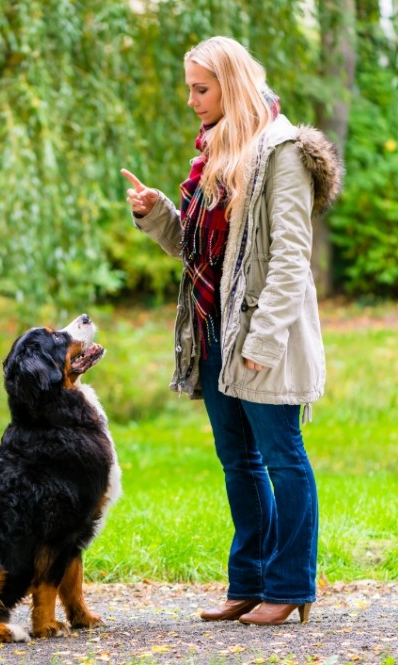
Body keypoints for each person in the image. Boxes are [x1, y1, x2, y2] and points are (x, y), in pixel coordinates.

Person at [121, 36, 342, 626]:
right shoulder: (214, 152)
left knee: (282, 455)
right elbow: (199, 251)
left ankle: (292, 584)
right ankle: (249, 582)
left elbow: (292, 257)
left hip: (261, 336)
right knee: (237, 461)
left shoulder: (282, 151)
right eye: (189, 88)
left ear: (231, 83)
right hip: (212, 329)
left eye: (202, 88)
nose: (192, 100)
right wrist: (157, 213)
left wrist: (263, 341)